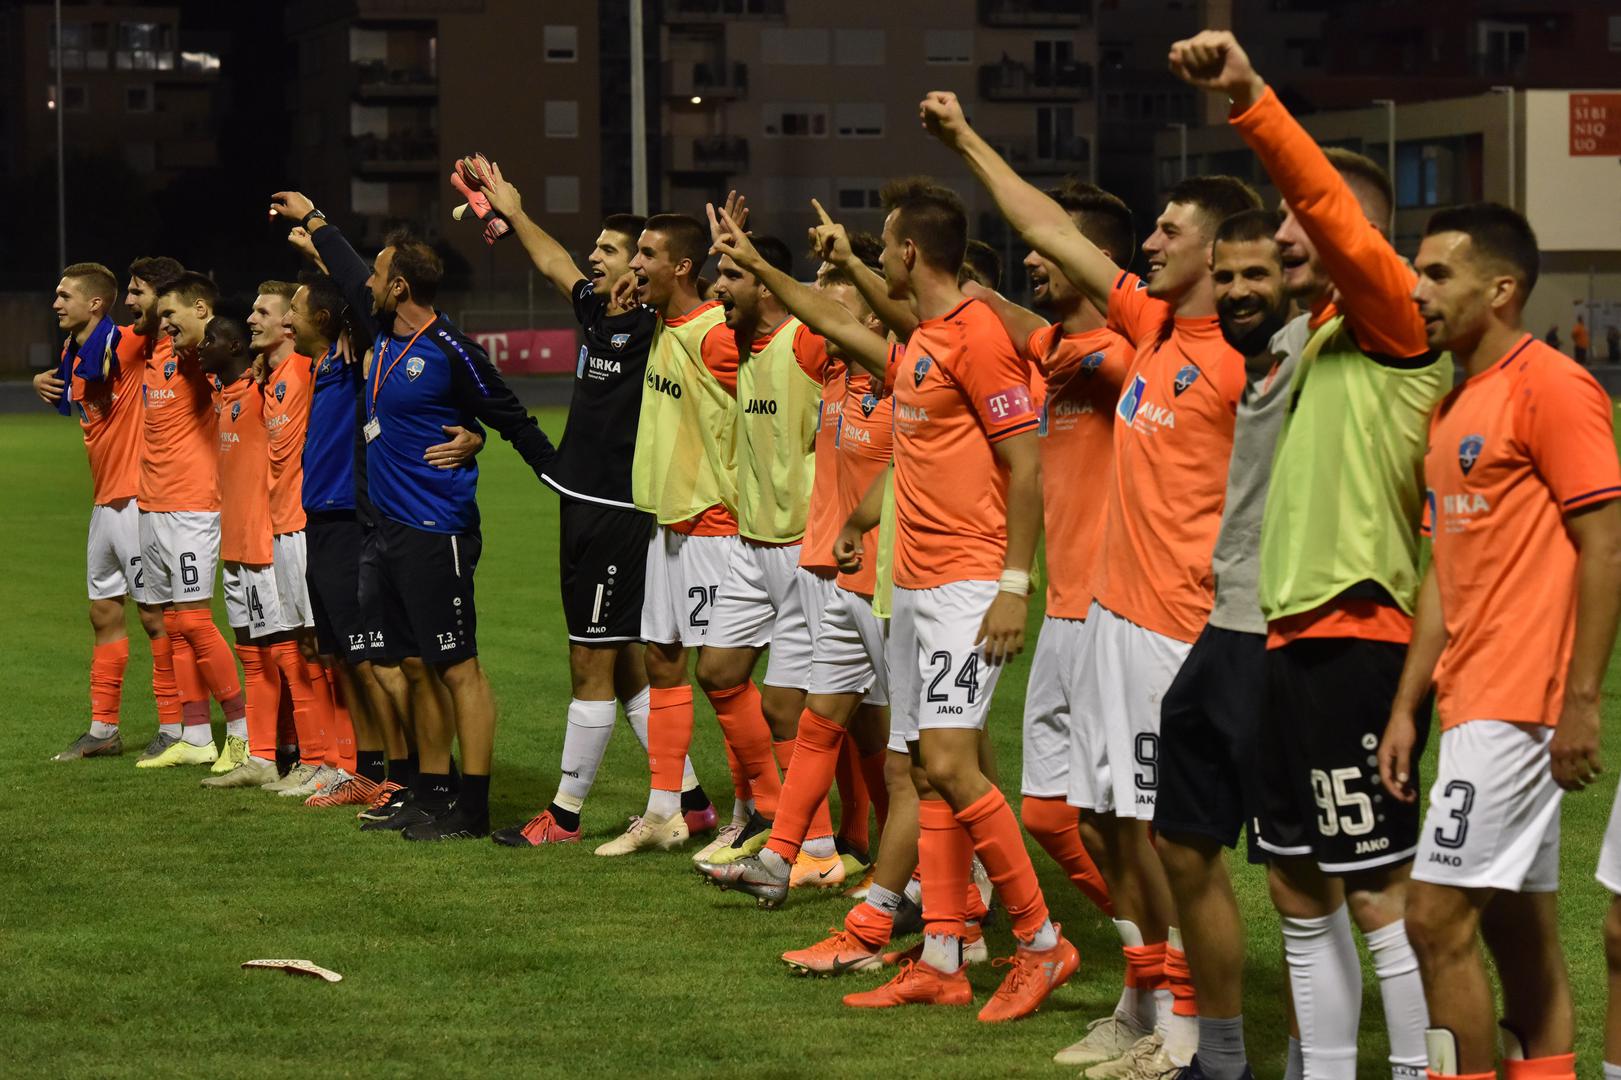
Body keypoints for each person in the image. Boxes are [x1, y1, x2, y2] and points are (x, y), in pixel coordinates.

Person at [923, 88, 1257, 1069]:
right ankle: (1144, 999)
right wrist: (966, 140)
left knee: (1168, 839)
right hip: (1110, 617)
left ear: (1216, 251)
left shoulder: (1236, 360)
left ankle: (1193, 1028)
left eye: (1169, 228)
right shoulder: (1151, 329)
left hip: (1179, 628)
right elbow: (1040, 225)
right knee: (1110, 824)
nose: (1151, 238)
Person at [1170, 31, 1455, 1080]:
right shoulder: (1321, 338)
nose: (1286, 233)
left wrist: (1248, 102)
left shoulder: (1390, 325)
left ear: (1358, 240)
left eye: (1296, 218)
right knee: (1295, 884)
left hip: (1353, 637)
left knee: (1378, 886)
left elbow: (1329, 210)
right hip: (1285, 642)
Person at [801, 174, 1078, 1023]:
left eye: (881, 245)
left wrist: (1011, 586)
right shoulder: (928, 335)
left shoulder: (980, 337)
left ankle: (1041, 942)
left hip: (966, 587)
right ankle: (943, 958)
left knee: (952, 766)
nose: (876, 256)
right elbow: (842, 323)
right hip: (916, 589)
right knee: (922, 771)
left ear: (909, 251)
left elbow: (1025, 463)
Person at [1380, 204, 1621, 1080]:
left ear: (1502, 288)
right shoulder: (1452, 407)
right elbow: (1444, 568)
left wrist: (1581, 702)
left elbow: (1605, 541)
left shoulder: (1550, 386)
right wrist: (1411, 703)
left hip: (1523, 704)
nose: (1417, 291)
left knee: (1434, 922)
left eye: (1438, 274)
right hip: (1472, 697)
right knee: (1521, 931)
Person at [270, 190, 558, 841]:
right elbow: (344, 270)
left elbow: (511, 417)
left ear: (398, 286)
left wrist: (564, 480)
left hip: (437, 533)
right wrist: (315, 221)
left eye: (377, 274)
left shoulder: (452, 349)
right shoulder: (376, 336)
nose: (364, 282)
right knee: (411, 666)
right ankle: (430, 792)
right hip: (383, 533)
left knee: (459, 668)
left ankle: (473, 807)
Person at [471, 164, 717, 848]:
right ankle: (692, 802)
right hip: (579, 501)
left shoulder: (660, 329)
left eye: (619, 251)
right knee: (628, 665)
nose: (599, 260)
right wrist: (514, 211)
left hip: (619, 509)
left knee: (590, 663)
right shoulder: (594, 309)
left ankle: (565, 814)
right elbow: (550, 261)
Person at [966, 180, 1131, 937]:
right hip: (1062, 610)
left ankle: (1172, 976)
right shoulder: (1054, 350)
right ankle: (1160, 955)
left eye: (1044, 248)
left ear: (1090, 259)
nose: (1029, 259)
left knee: (1122, 822)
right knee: (1048, 815)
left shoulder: (1125, 359)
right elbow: (1013, 320)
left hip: (1113, 613)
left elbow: (1108, 363)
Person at [594, 210, 755, 857]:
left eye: (646, 256)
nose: (634, 267)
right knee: (662, 659)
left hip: (714, 528)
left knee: (726, 678)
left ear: (681, 266)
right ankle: (665, 812)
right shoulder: (665, 323)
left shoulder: (717, 335)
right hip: (668, 523)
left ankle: (755, 812)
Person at [35, 263, 152, 761]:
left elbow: (170, 326)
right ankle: (103, 729)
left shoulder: (127, 341)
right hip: (104, 503)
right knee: (103, 612)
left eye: (65, 296)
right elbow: (75, 392)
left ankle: (181, 728)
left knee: (157, 618)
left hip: (139, 501)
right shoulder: (73, 352)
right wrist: (49, 382)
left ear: (95, 304)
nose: (56, 303)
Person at [138, 271, 251, 769]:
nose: (163, 323)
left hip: (191, 507)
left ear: (201, 309)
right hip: (151, 506)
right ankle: (198, 736)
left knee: (196, 622)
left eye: (171, 314)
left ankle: (242, 731)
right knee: (174, 624)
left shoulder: (209, 360)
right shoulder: (158, 352)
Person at [194, 313, 285, 790]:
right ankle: (262, 752)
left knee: (278, 654)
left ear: (234, 349)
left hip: (261, 544)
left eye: (213, 338)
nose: (203, 344)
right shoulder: (222, 393)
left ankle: (286, 754)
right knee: (251, 652)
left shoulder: (260, 392)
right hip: (235, 546)